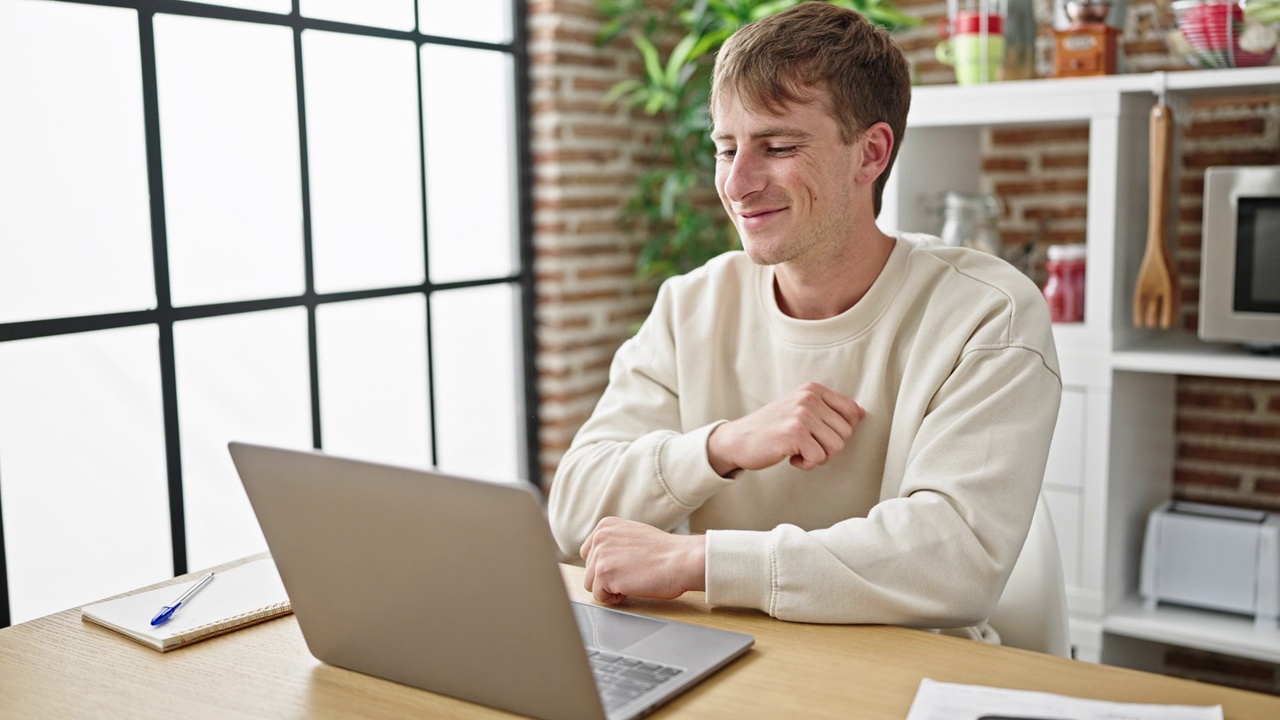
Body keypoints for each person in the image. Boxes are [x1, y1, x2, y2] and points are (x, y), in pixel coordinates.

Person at [547, 1, 1061, 642]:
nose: (737, 183)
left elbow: (952, 559)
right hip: (733, 657)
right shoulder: (691, 304)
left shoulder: (988, 314)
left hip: (907, 675)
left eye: (778, 146)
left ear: (870, 153)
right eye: (725, 148)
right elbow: (573, 512)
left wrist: (698, 562)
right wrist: (725, 445)